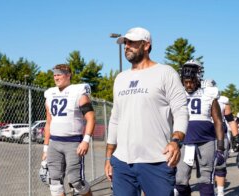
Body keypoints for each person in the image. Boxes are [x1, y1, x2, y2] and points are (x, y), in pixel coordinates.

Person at [104, 27, 189, 196]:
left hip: (156, 161)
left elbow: (181, 111)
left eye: (132, 43)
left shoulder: (165, 73)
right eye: (125, 43)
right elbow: (115, 119)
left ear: (146, 45)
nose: (126, 46)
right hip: (122, 163)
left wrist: (176, 141)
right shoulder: (120, 78)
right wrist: (109, 157)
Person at [42, 64, 95, 196]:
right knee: (54, 183)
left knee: (76, 182)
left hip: (73, 143)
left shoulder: (78, 92)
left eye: (59, 74)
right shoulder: (50, 94)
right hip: (54, 143)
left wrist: (86, 140)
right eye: (54, 74)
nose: (56, 77)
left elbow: (91, 118)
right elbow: (48, 123)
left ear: (68, 74)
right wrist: (45, 148)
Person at [174, 62, 225, 196]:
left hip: (206, 141)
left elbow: (218, 121)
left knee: (205, 178)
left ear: (198, 78)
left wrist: (220, 147)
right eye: (186, 82)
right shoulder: (177, 93)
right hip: (184, 141)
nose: (189, 85)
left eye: (192, 81)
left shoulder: (209, 93)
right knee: (180, 179)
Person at [201, 79, 239, 196]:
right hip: (205, 135)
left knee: (220, 164)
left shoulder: (223, 101)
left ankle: (220, 192)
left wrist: (236, 137)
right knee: (205, 166)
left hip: (220, 135)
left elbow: (230, 120)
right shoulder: (197, 98)